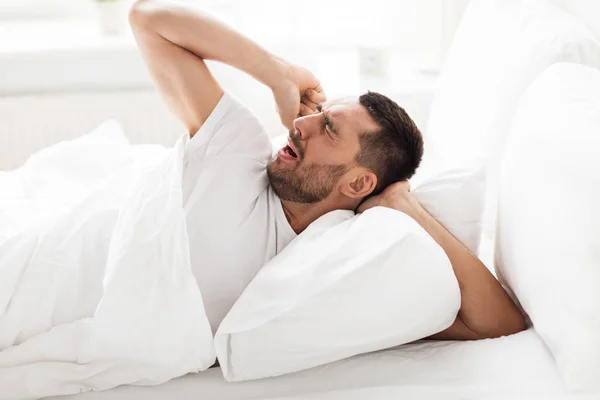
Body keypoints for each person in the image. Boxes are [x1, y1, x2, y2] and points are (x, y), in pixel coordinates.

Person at [128, 0, 525, 340]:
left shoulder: (343, 264)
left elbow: (499, 324)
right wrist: (276, 72)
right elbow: (147, 17)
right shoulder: (239, 151)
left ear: (359, 182)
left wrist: (406, 207)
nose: (299, 125)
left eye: (329, 129)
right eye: (318, 113)